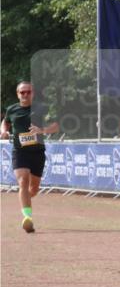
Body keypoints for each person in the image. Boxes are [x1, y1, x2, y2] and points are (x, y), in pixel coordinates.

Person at [2, 81, 59, 232]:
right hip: (19, 151)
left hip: (37, 152)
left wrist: (42, 130)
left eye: (28, 92)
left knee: (32, 189)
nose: (25, 94)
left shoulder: (42, 108)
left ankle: (25, 199)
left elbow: (56, 125)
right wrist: (3, 131)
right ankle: (27, 218)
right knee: (22, 181)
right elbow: (5, 122)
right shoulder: (12, 109)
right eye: (22, 92)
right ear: (18, 94)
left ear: (33, 93)